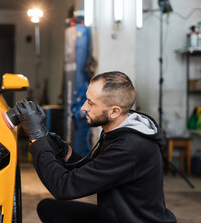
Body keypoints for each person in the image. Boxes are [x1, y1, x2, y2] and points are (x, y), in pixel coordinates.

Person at [14, 71, 176, 223]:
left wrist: (37, 137)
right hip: (117, 215)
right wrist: (64, 150)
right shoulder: (118, 131)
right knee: (49, 209)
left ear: (114, 111)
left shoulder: (129, 147)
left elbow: (64, 187)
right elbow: (96, 169)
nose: (84, 107)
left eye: (91, 103)